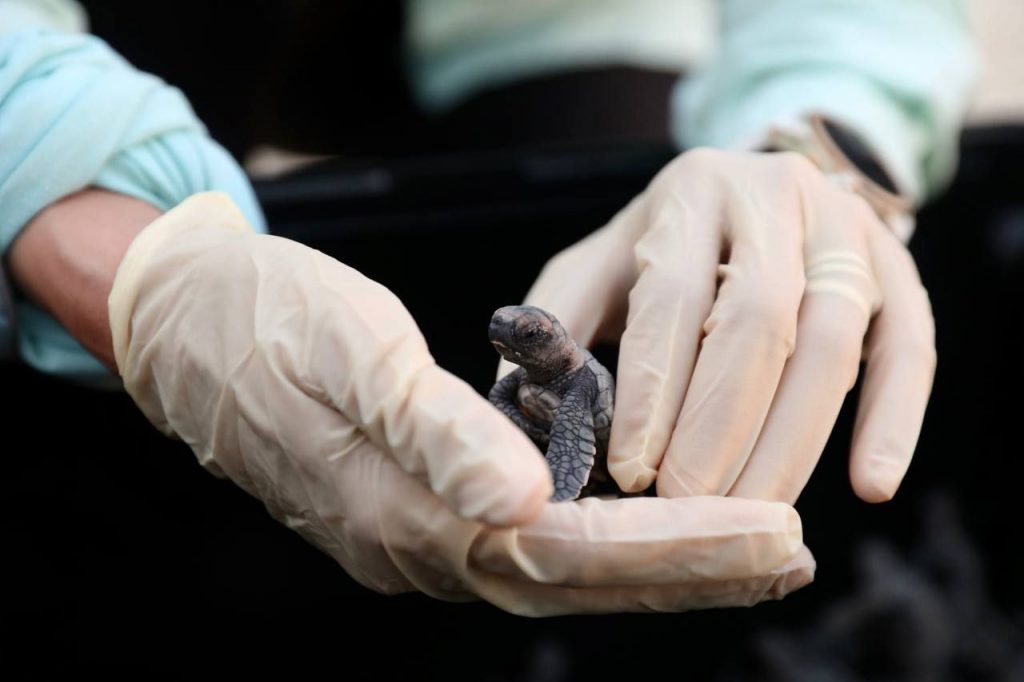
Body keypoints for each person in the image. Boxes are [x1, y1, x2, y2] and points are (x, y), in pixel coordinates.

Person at [0, 0, 977, 616]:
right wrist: (124, 258)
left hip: (525, 18)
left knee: (606, 167)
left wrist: (820, 148)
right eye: (518, 335)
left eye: (528, 335)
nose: (518, 335)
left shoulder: (567, 377)